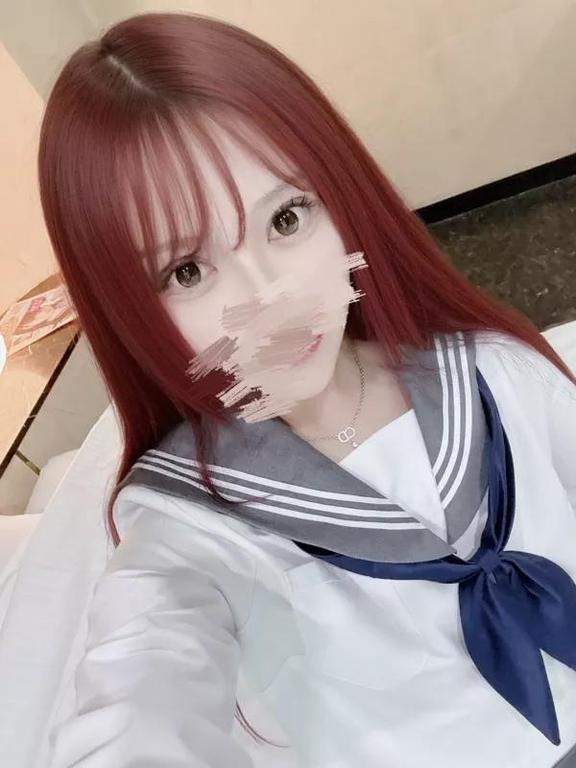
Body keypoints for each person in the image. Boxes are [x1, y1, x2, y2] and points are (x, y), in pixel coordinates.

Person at [37, 11, 576, 768]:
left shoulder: (495, 373)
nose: (271, 299)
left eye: (287, 218)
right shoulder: (191, 527)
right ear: (128, 306)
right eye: (187, 270)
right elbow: (142, 687)